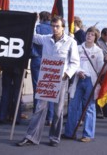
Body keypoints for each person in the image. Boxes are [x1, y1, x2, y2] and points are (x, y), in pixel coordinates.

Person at [16, 16, 80, 147]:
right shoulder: (45, 39)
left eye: (57, 26)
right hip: (46, 78)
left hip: (61, 79)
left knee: (58, 111)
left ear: (63, 27)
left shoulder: (70, 42)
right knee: (39, 108)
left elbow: (75, 62)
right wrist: (31, 22)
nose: (54, 28)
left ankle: (54, 138)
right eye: (53, 26)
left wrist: (66, 74)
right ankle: (31, 137)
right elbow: (32, 36)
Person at [62, 26, 107, 142]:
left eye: (92, 34)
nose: (89, 36)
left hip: (91, 81)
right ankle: (70, 132)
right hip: (78, 80)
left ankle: (87, 134)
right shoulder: (78, 48)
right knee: (73, 106)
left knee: (89, 107)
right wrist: (79, 71)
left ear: (95, 37)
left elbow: (101, 70)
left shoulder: (98, 51)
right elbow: (72, 62)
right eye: (88, 34)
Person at [30, 11, 54, 126]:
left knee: (37, 89)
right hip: (50, 61)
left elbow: (31, 41)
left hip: (37, 59)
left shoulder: (37, 28)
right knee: (50, 89)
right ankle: (49, 117)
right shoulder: (54, 29)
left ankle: (37, 116)